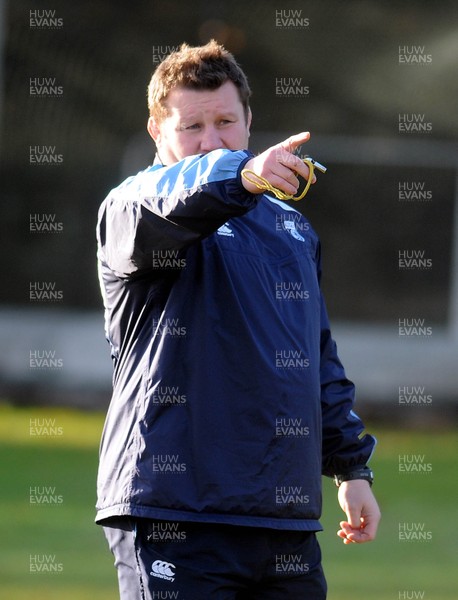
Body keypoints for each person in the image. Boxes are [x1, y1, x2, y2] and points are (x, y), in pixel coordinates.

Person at [96, 40, 381, 599]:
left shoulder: (292, 230)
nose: (211, 140)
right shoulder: (135, 206)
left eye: (225, 121)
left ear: (249, 121)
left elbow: (315, 355)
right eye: (192, 126)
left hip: (282, 519)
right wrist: (243, 174)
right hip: (175, 511)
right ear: (157, 131)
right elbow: (180, 192)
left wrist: (351, 468)